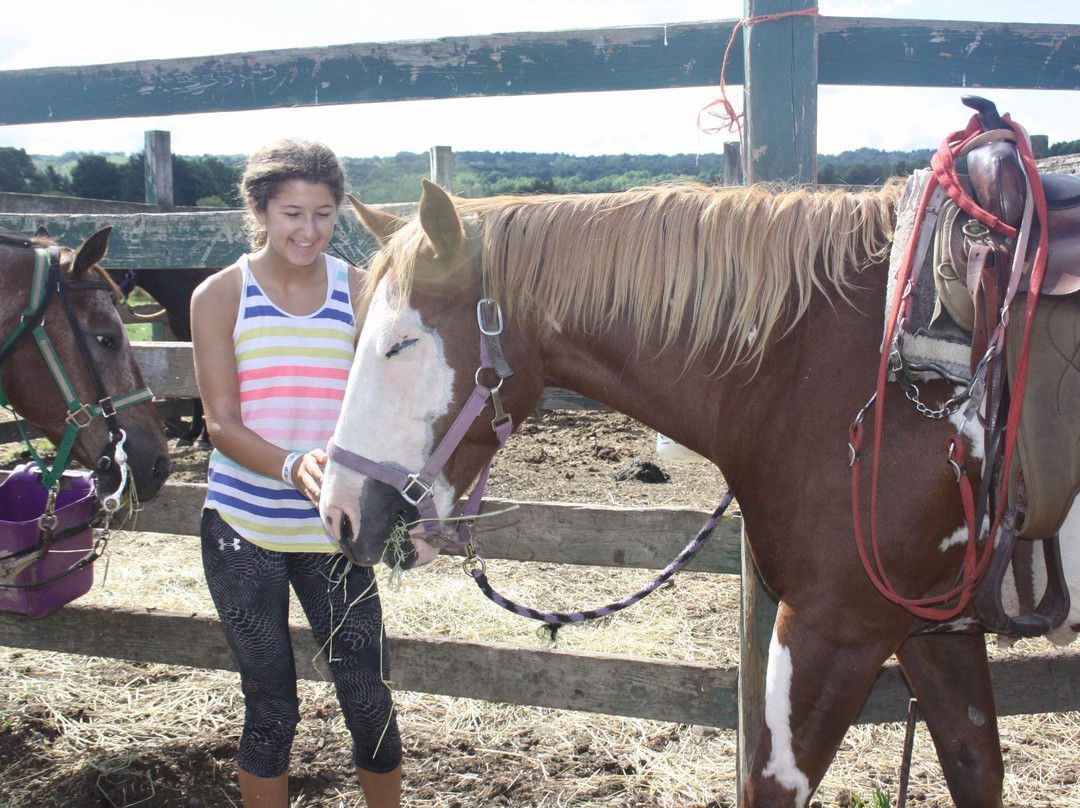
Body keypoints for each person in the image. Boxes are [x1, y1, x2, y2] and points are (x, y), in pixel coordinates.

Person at [190, 138, 402, 807]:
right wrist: (290, 464)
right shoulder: (220, 295)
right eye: (290, 213)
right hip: (243, 529)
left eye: (321, 213)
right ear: (259, 209)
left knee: (367, 695)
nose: (307, 230)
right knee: (271, 703)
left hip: (334, 529)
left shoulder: (361, 290)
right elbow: (221, 422)